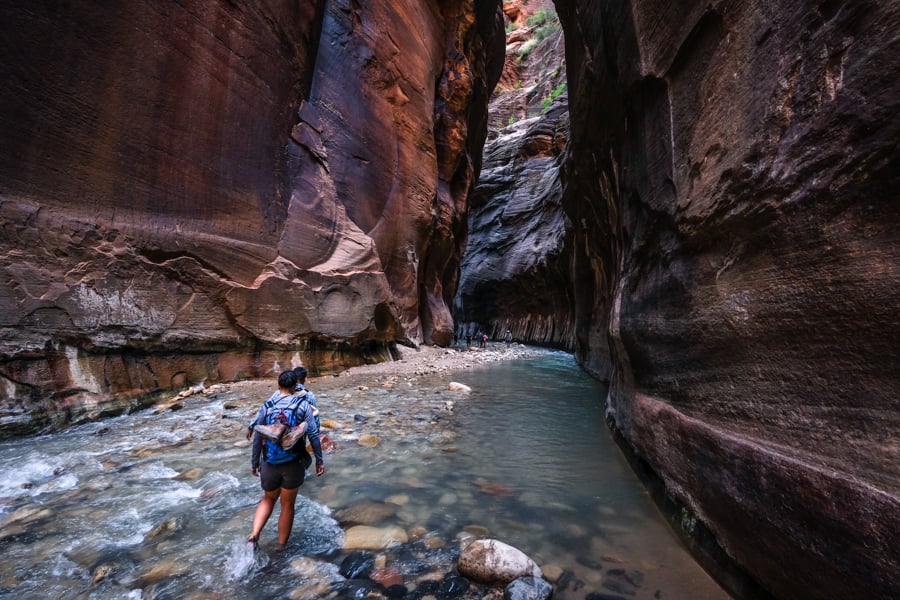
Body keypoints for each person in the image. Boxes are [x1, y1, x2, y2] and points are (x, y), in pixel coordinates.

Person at [247, 370, 325, 548]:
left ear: (278, 385)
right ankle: (281, 548)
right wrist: (319, 460)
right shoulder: (303, 405)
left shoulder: (267, 405)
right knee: (287, 504)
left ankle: (254, 535)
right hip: (293, 462)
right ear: (295, 386)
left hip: (269, 461)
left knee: (268, 499)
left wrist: (254, 463)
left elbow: (258, 436)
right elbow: (313, 434)